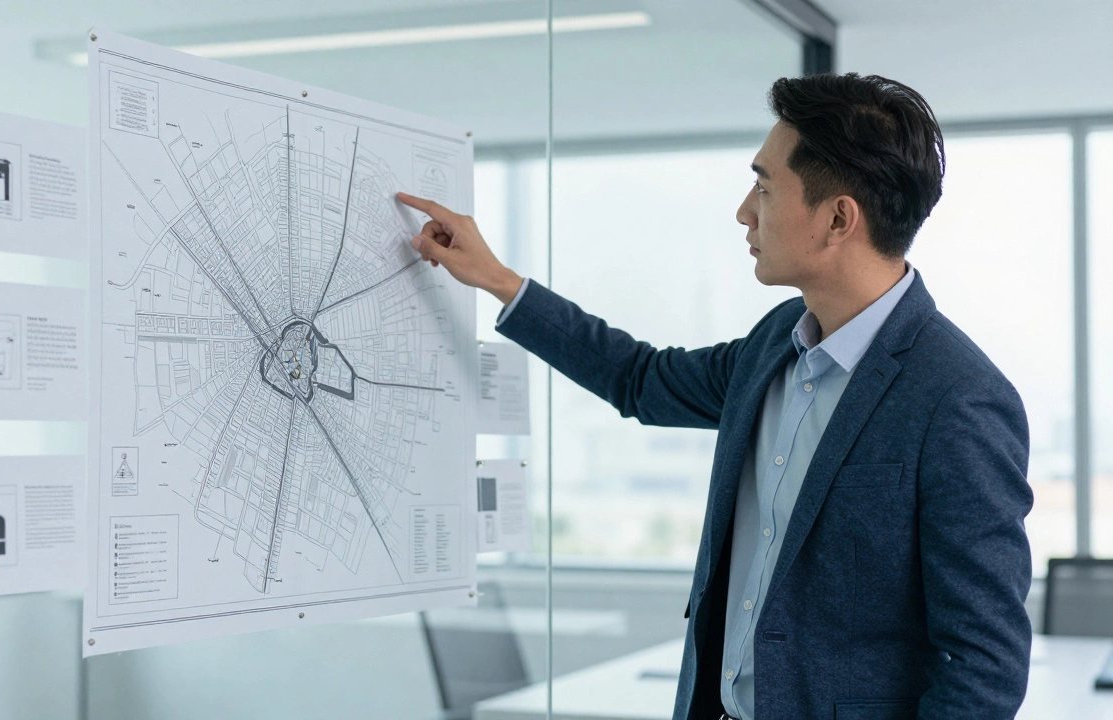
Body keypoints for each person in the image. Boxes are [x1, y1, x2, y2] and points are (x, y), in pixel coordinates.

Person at [397, 73, 1033, 720]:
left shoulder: (958, 398)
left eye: (764, 185)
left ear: (839, 217)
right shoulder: (771, 347)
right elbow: (639, 378)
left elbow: (983, 662)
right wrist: (500, 281)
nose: (744, 211)